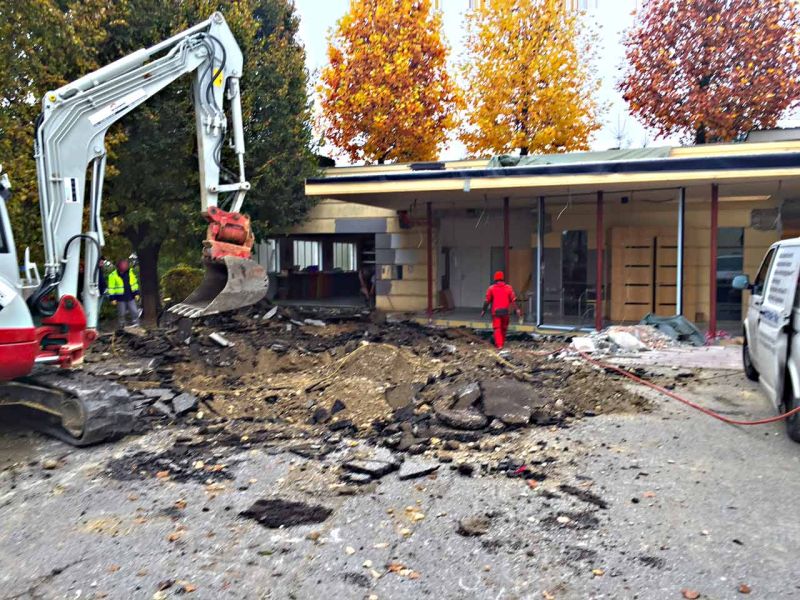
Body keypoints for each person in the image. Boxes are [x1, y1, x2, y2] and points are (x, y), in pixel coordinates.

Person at [481, 271, 522, 351]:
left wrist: (483, 310)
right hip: (505, 312)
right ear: (503, 278)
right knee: (504, 328)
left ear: (495, 279)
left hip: (496, 312)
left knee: (497, 328)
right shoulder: (509, 288)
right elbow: (514, 300)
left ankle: (499, 345)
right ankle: (502, 342)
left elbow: (487, 301)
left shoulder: (491, 288)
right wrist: (517, 309)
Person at [107, 258, 140, 328]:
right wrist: (112, 298)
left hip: (130, 296)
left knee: (134, 311)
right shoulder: (112, 276)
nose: (124, 266)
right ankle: (122, 327)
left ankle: (136, 325)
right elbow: (111, 288)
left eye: (125, 265)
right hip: (120, 298)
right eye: (122, 265)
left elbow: (134, 284)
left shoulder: (130, 273)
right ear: (118, 266)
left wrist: (136, 293)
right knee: (121, 313)